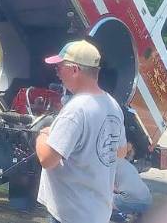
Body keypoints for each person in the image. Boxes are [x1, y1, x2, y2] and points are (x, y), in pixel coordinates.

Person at [35, 39, 127, 223]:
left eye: (59, 68)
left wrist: (43, 135)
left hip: (71, 213)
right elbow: (120, 152)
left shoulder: (75, 110)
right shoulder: (112, 105)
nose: (58, 74)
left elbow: (48, 160)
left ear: (74, 70)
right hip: (97, 212)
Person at [111, 146, 152, 222]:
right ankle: (132, 216)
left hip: (130, 200)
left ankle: (124, 217)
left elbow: (109, 188)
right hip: (147, 201)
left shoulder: (109, 165)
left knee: (103, 200)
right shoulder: (127, 165)